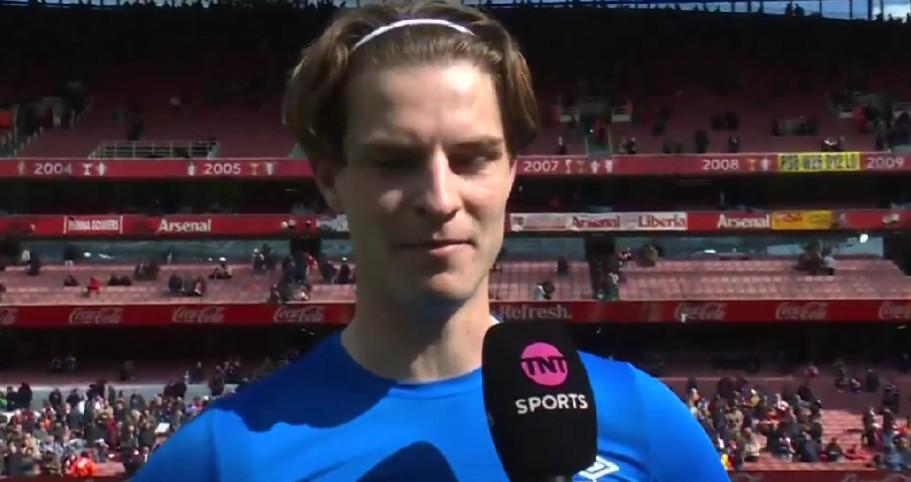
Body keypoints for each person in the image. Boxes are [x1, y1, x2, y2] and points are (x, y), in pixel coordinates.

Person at [134, 2, 727, 481]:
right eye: (395, 162)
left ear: (512, 172)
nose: (440, 199)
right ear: (331, 180)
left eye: (471, 158)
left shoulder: (645, 422)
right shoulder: (222, 457)